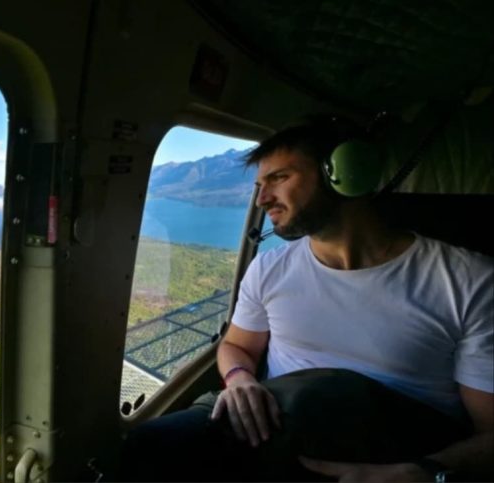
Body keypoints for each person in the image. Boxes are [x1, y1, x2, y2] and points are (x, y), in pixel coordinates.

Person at [121, 119, 493, 482]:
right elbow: (236, 345)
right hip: (274, 427)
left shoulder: (468, 281)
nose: (263, 199)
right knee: (147, 446)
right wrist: (240, 380)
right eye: (260, 185)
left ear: (345, 173)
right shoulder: (269, 268)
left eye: (279, 178)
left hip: (393, 452)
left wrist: (421, 471)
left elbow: (488, 433)